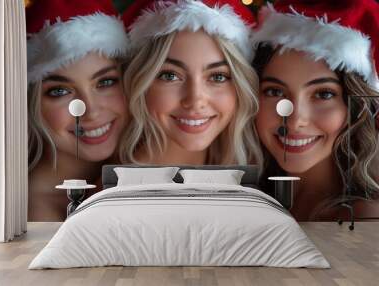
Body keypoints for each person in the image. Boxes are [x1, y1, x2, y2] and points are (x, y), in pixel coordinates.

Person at [252, 0, 379, 220]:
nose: (294, 120)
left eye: (323, 94)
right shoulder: (250, 201)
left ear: (354, 106)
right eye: (274, 92)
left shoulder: (363, 218)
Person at [119, 0, 263, 167]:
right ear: (143, 83)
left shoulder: (248, 177)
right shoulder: (120, 191)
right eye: (170, 76)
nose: (195, 100)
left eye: (217, 77)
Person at [26, 0, 130, 221]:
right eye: (60, 91)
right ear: (29, 102)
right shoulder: (33, 213)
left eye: (105, 82)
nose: (90, 110)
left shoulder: (134, 167)